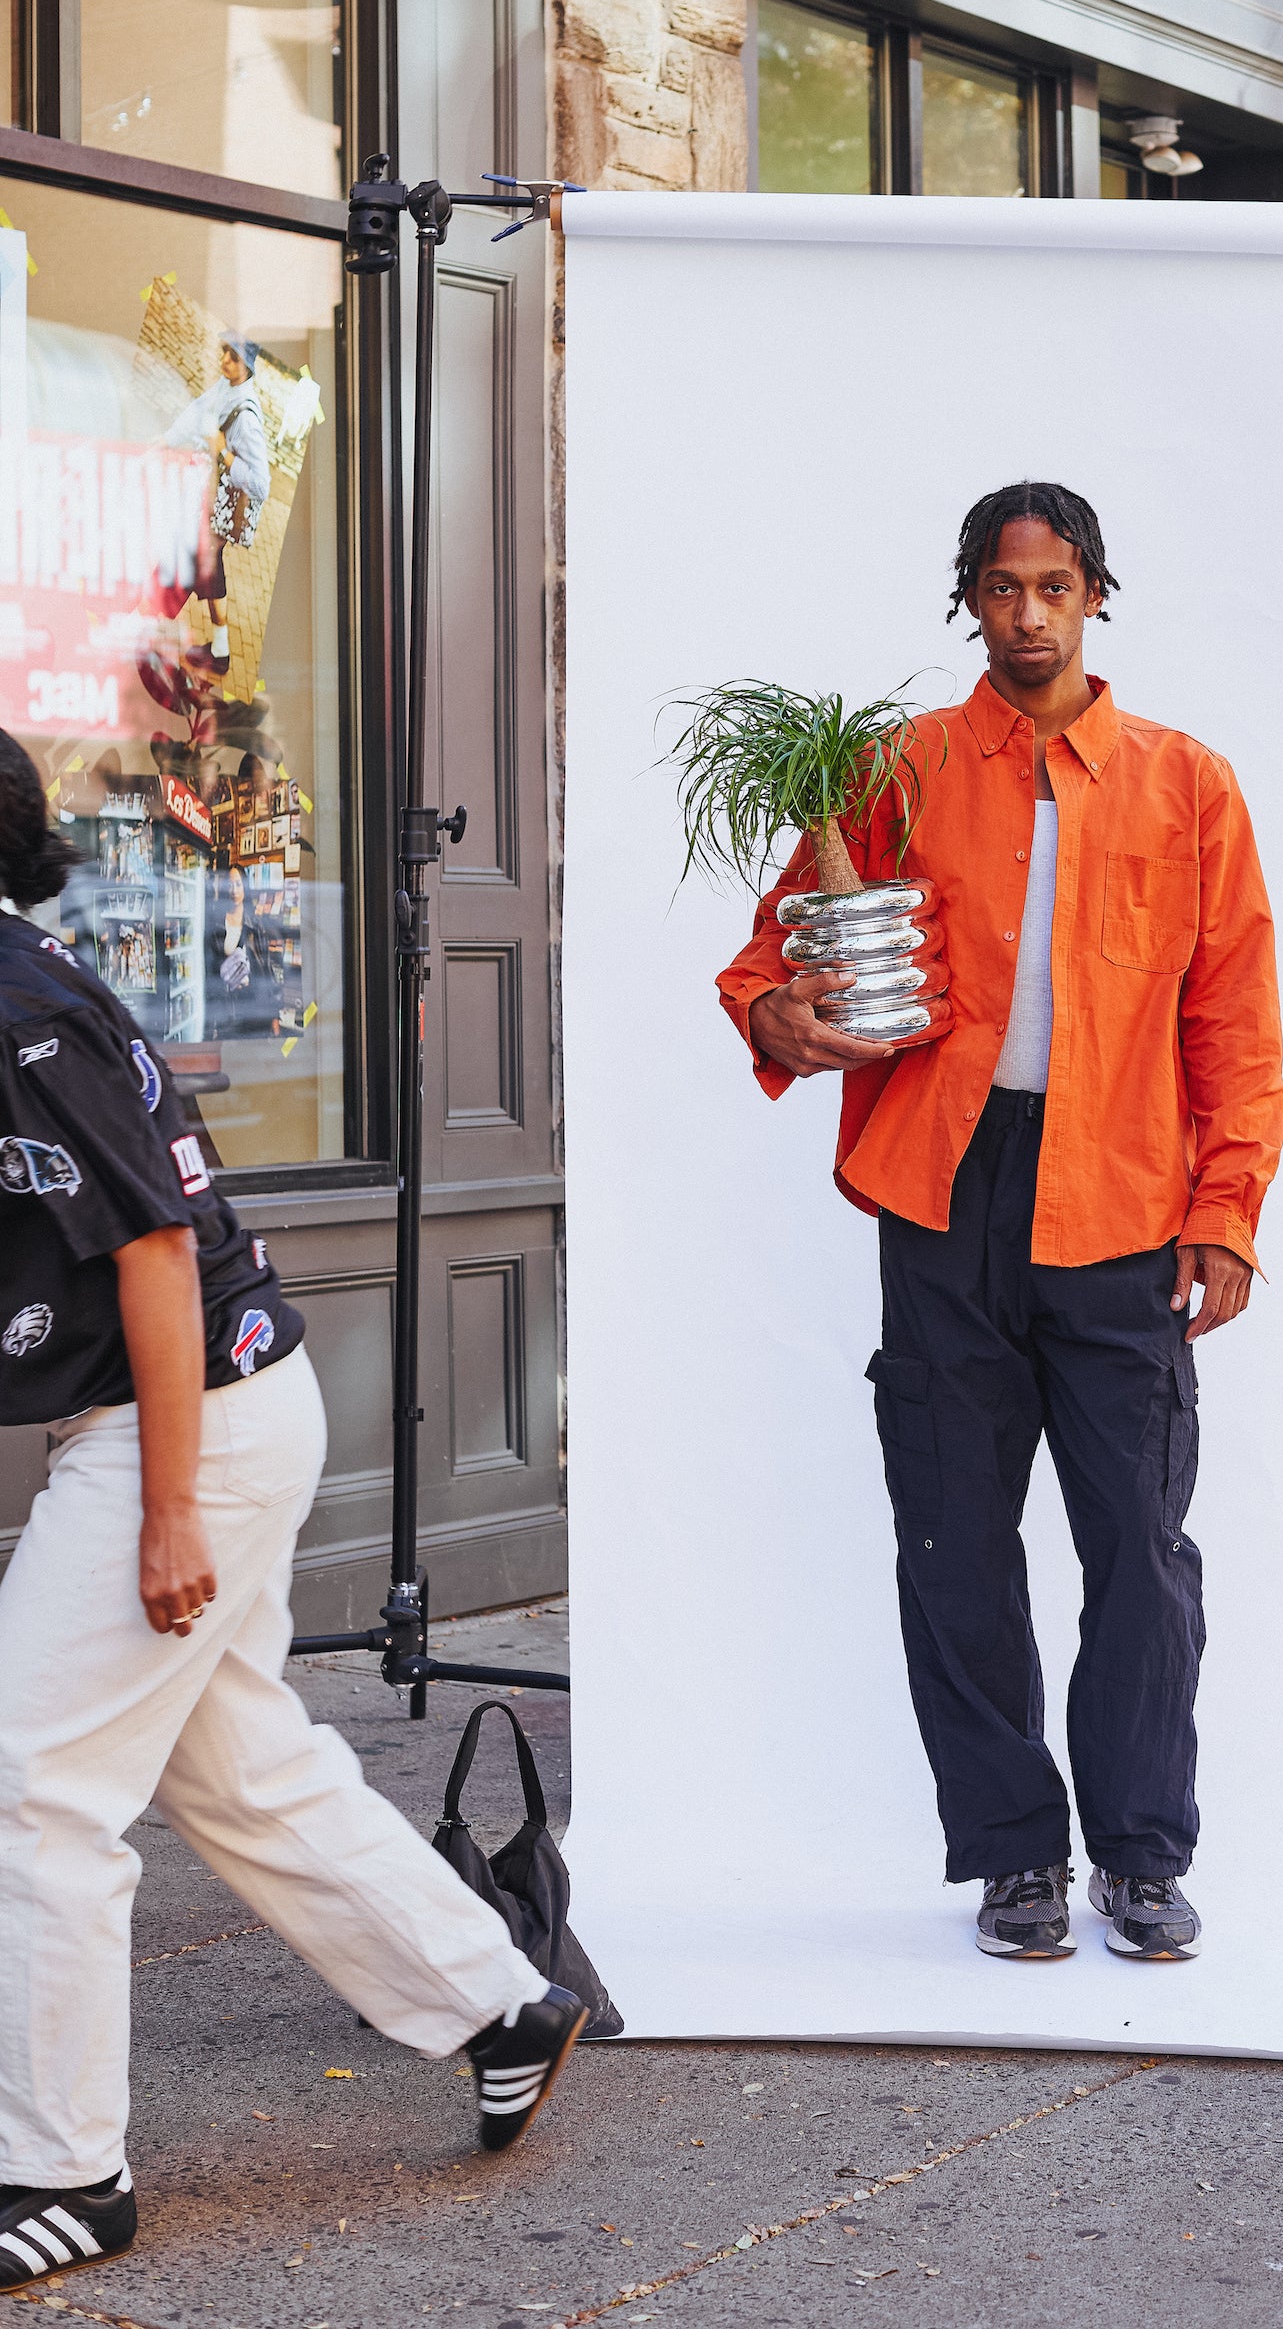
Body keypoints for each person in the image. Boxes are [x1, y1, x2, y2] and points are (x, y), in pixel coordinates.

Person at [0, 730, 585, 2292]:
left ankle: (66, 2172)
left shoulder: (22, 1012)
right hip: (176, 1415)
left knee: (34, 1779)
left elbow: (154, 1258)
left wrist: (169, 1511)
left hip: (187, 1424)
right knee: (235, 1767)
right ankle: (495, 2001)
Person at [718, 484, 1283, 1965]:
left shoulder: (1188, 784)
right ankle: (1017, 1857)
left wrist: (1227, 1209)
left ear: (1098, 595)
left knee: (1140, 1550)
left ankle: (1144, 1856)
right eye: (1000, 586)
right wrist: (783, 1013)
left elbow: (1234, 1015)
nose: (1028, 613)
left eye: (1055, 585)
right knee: (956, 1540)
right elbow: (779, 950)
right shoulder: (896, 770)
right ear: (968, 598)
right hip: (947, 1192)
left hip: (1124, 1198)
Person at [162, 338, 270, 680]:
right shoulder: (225, 387)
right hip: (206, 500)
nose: (224, 360)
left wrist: (224, 454)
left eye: (233, 357)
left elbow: (261, 484)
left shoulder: (247, 416)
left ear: (248, 365)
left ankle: (152, 631)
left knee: (188, 561)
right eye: (225, 351)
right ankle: (220, 651)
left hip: (218, 507)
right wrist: (167, 440)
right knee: (207, 568)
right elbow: (196, 412)